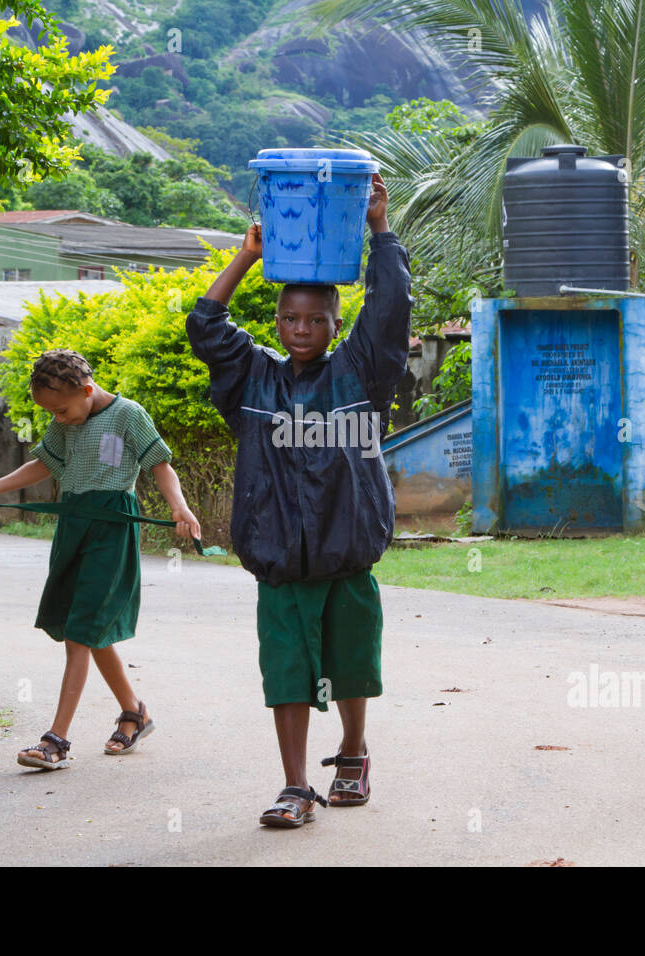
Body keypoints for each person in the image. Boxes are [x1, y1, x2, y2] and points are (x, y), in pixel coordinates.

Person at [186, 173, 412, 827]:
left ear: (338, 324)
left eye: (317, 319)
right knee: (287, 671)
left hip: (346, 553)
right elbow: (206, 325)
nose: (302, 328)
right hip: (280, 556)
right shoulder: (252, 376)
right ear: (276, 319)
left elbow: (391, 305)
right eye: (290, 317)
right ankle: (293, 786)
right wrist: (247, 256)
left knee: (349, 666)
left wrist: (378, 228)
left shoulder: (360, 374)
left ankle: (351, 753)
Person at [0, 349, 201, 770]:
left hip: (111, 529)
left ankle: (56, 740)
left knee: (79, 633)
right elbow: (42, 465)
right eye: (52, 412)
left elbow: (160, 465)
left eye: (63, 409)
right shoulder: (65, 422)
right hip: (73, 527)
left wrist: (178, 507)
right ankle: (135, 713)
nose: (60, 418)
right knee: (91, 627)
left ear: (87, 390)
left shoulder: (128, 415)